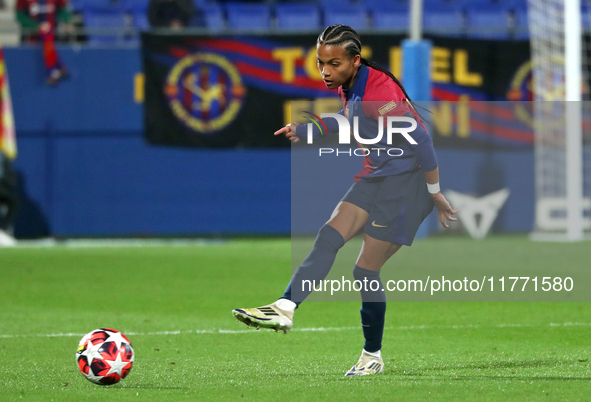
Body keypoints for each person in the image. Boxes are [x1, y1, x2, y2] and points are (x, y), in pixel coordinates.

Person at [232, 25, 457, 376]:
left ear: (354, 60)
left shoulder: (378, 90)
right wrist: (310, 129)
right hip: (376, 176)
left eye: (333, 64)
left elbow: (422, 140)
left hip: (406, 186)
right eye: (321, 63)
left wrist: (435, 193)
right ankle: (285, 306)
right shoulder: (351, 86)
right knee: (329, 235)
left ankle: (372, 356)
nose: (325, 71)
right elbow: (350, 120)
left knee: (364, 270)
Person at [16, 0, 73, 85]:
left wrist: (67, 21)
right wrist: (35, 26)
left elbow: (62, 9)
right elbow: (20, 15)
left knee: (47, 36)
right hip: (32, 35)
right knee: (47, 35)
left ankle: (52, 71)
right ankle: (58, 67)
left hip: (53, 34)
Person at [0, 151, 18, 246]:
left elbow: (10, 176)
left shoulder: (3, 157)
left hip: (2, 188)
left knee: (13, 201)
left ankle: (4, 231)